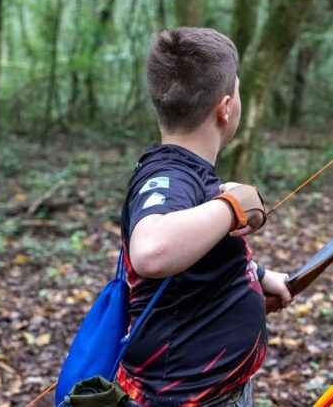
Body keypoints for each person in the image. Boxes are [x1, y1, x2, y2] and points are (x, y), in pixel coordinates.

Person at [114, 27, 292, 407]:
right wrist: (232, 207)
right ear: (226, 107)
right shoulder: (168, 175)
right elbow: (152, 251)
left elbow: (196, 261)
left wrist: (260, 277)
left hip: (218, 393)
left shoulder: (190, 175)